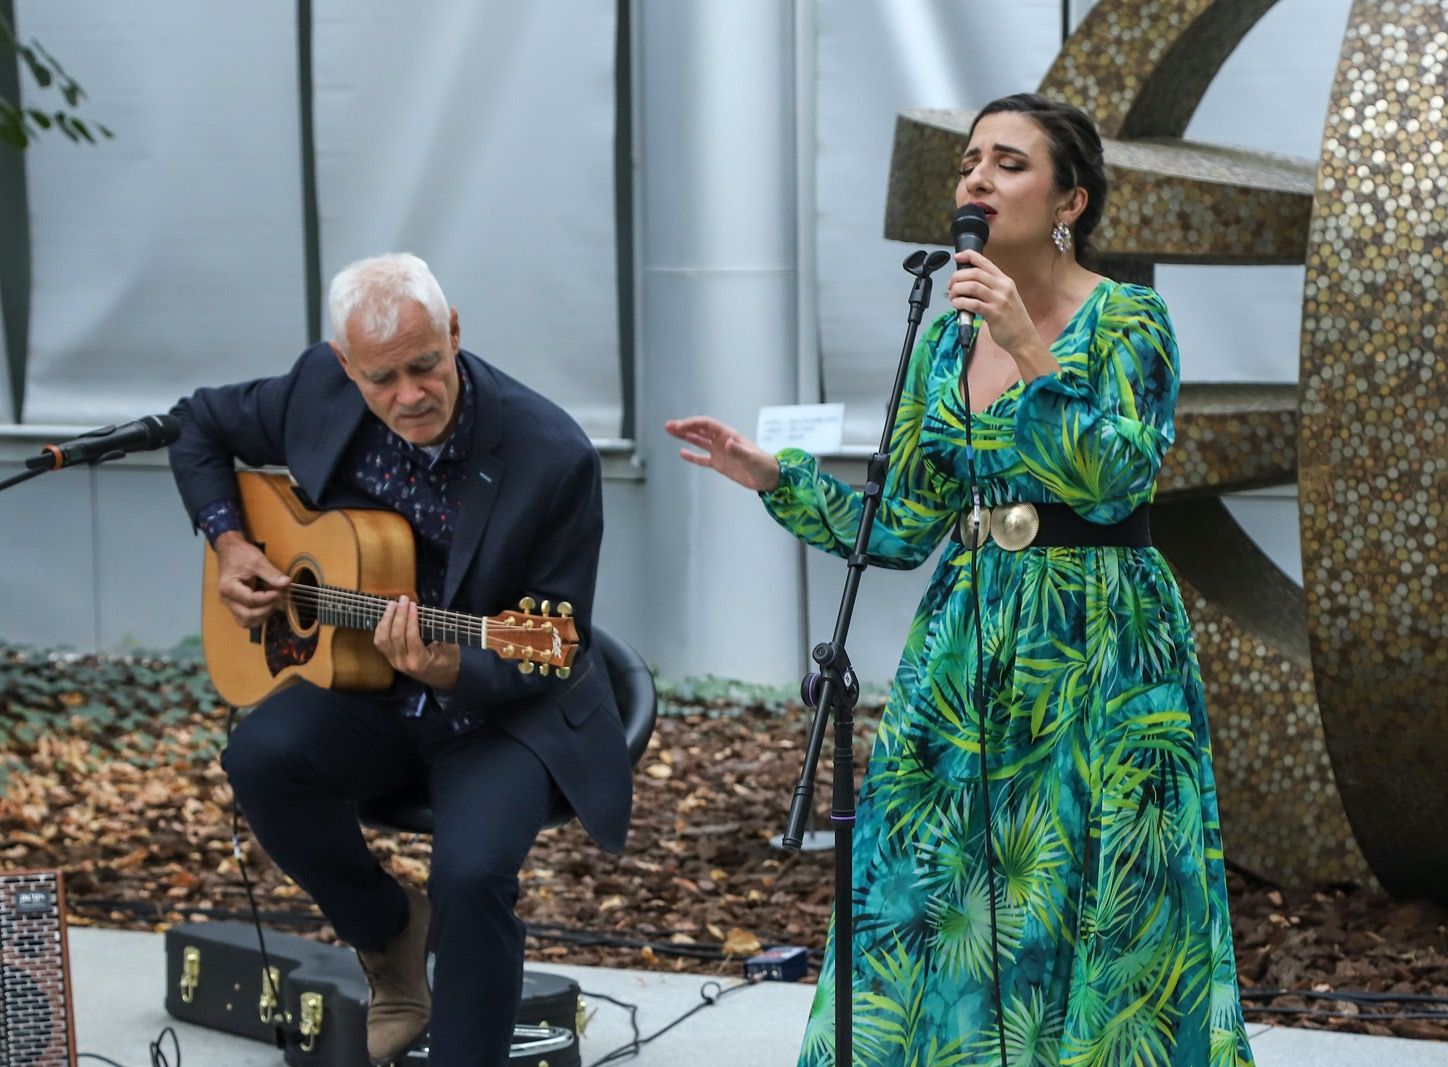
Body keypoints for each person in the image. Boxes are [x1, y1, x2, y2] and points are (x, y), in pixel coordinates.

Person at [667, 94, 1255, 1065]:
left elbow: (1115, 478)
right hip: (966, 642)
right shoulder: (944, 340)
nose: (977, 177)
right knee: (927, 887)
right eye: (970, 160)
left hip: (1099, 638)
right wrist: (775, 478)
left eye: (1008, 162)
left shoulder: (1129, 320)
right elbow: (901, 527)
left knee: (1098, 888)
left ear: (1070, 200)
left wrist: (1027, 345)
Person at [168, 252, 631, 1065]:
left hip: (502, 710)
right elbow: (195, 424)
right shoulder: (318, 388)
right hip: (370, 686)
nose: (410, 394)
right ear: (346, 365)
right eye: (382, 378)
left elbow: (557, 645)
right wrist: (230, 541)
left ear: (453, 331)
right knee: (259, 759)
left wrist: (454, 668)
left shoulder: (552, 453)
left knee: (472, 876)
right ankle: (387, 932)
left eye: (426, 365)